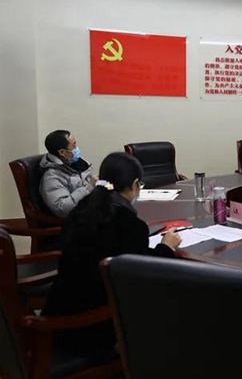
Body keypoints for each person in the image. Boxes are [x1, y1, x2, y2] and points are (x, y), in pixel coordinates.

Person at [42, 152, 182, 359]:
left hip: (60, 308)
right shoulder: (130, 225)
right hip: (93, 327)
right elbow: (142, 277)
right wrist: (166, 248)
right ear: (135, 185)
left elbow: (118, 254)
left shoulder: (82, 209)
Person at [40, 130, 97, 218]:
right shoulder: (52, 176)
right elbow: (62, 208)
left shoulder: (78, 164)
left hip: (91, 207)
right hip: (78, 217)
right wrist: (89, 188)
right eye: (74, 146)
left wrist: (109, 186)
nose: (77, 149)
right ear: (62, 152)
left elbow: (92, 183)